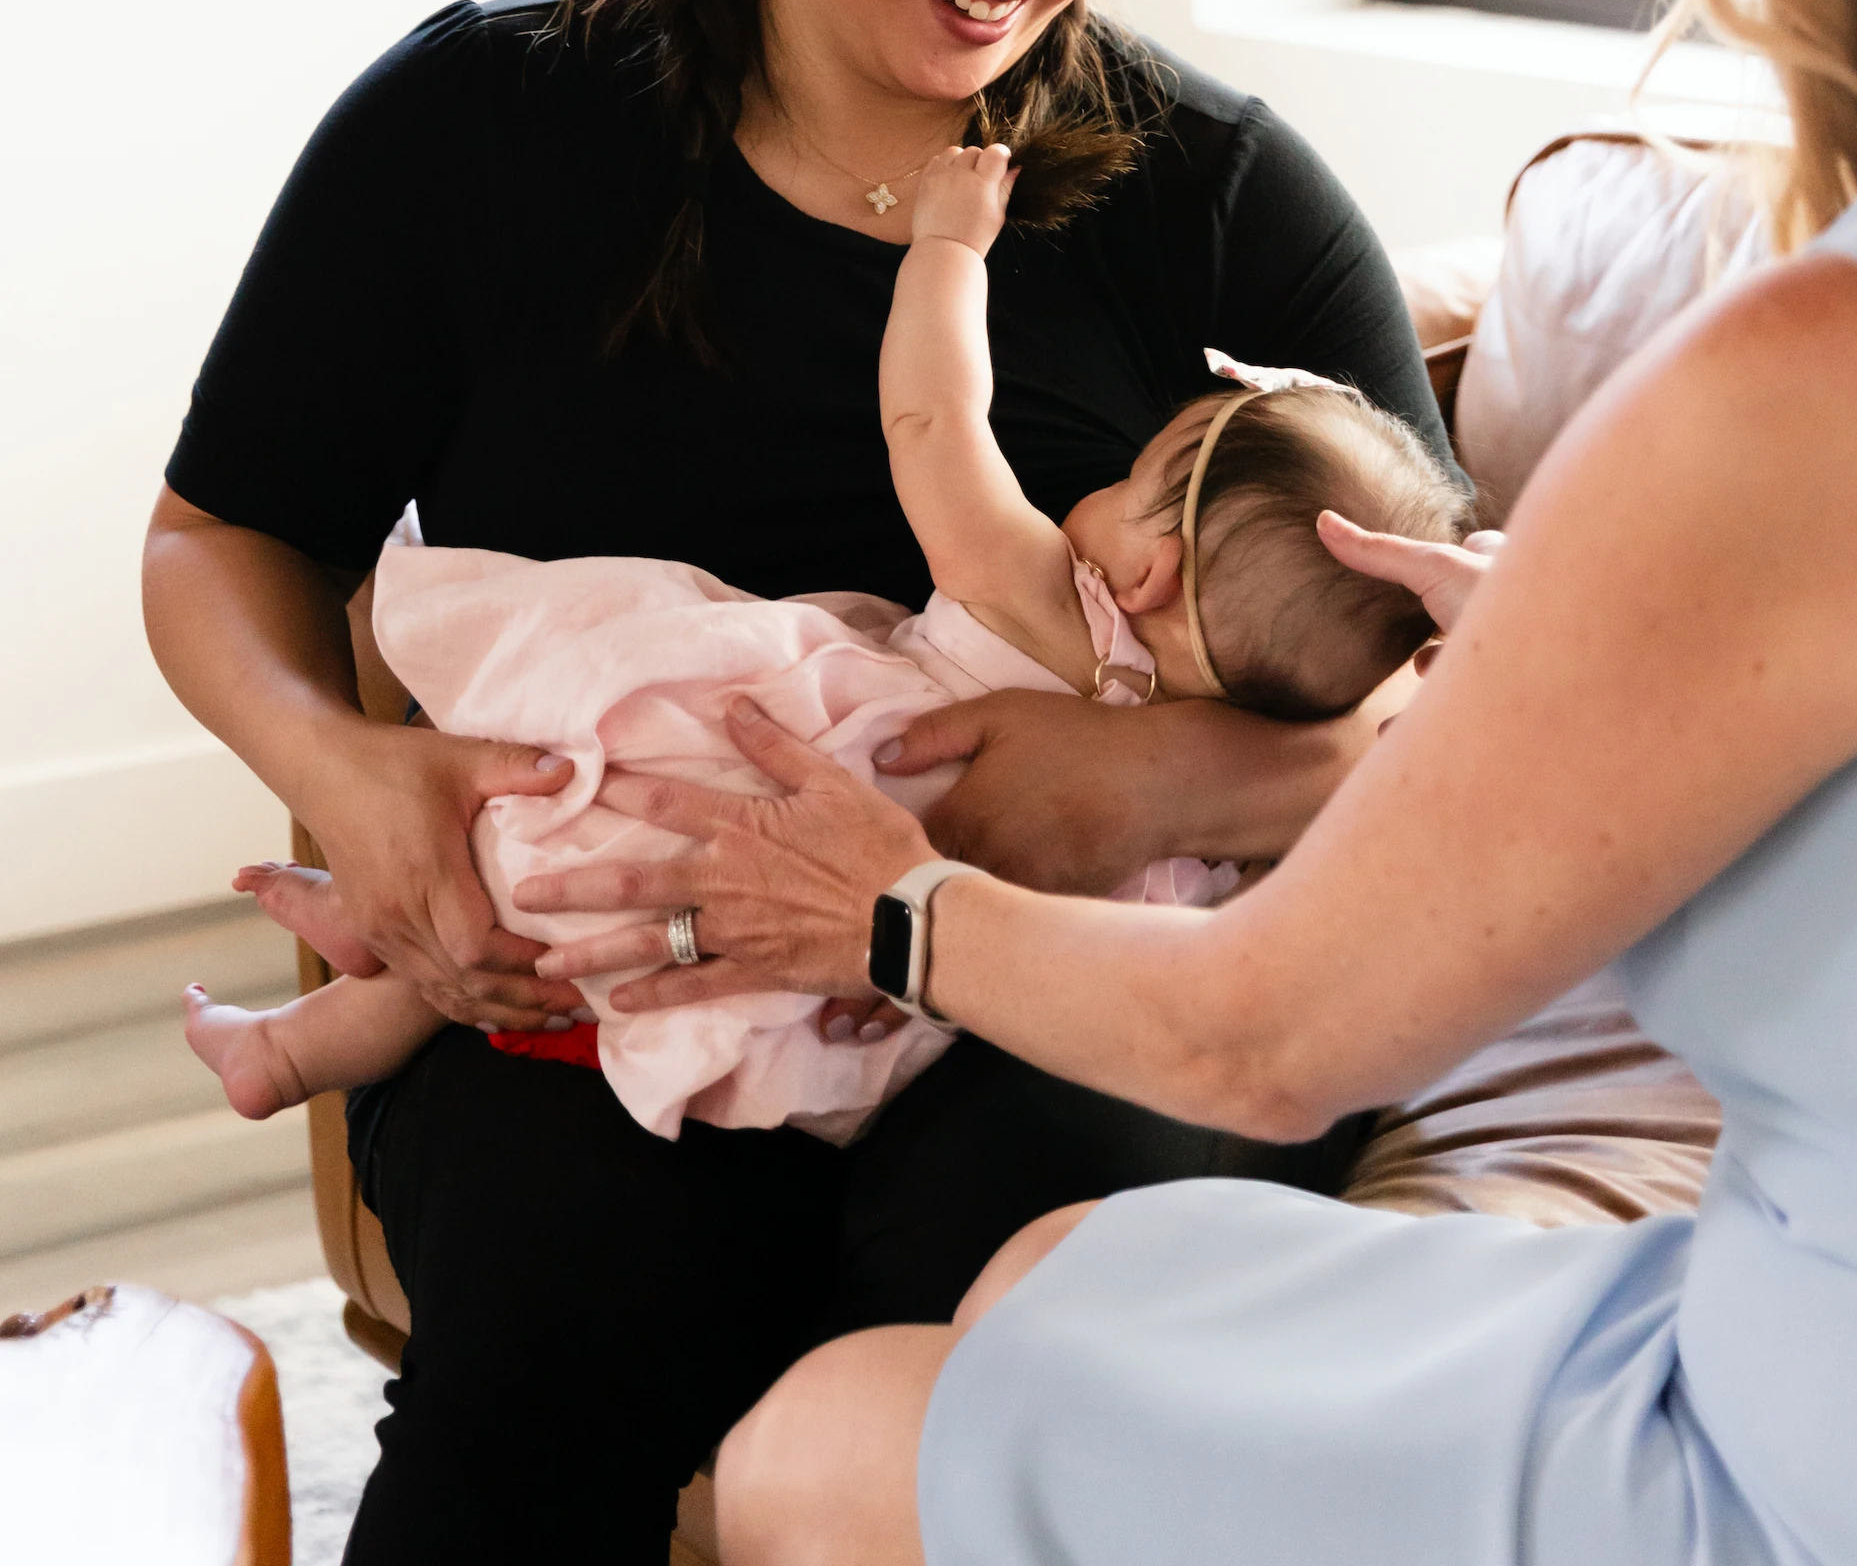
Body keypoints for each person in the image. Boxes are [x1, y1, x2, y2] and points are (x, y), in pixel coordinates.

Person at [534, 0, 1857, 1566]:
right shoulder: (518, 121)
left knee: (826, 1440)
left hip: (1812, 1441)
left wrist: (888, 907)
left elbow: (1278, 1040)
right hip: (1805, 1315)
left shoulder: (1828, 374)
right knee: (1059, 1292)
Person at [141, 0, 1460, 1563]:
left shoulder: (1211, 191)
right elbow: (219, 535)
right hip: (583, 976)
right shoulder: (485, 128)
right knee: (574, 1280)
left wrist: (1136, 782)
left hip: (1067, 977)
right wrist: (346, 771)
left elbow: (1473, 688)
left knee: (1031, 1295)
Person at [181, 139, 1465, 1137]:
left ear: (1148, 566)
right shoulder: (1223, 805)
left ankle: (323, 998)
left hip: (790, 772)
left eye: (1149, 469)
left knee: (570, 829)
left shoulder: (1053, 599)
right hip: (904, 1000)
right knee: (582, 957)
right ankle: (305, 1027)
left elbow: (935, 422)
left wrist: (950, 251)